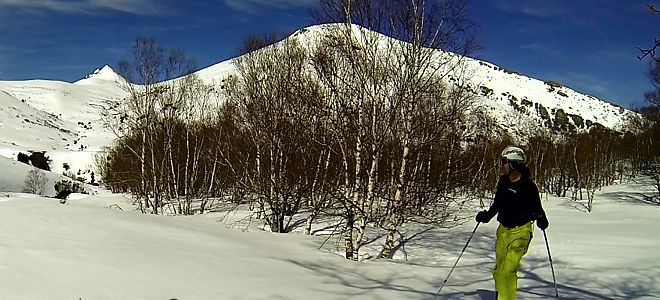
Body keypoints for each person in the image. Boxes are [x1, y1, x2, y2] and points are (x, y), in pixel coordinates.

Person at [476, 146, 549, 300]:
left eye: (504, 162)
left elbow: (537, 207)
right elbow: (498, 203)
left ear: (513, 163)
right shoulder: (503, 182)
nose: (501, 165)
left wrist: (541, 218)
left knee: (507, 271)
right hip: (503, 231)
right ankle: (500, 296)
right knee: (498, 270)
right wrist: (487, 215)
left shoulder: (528, 185)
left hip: (521, 232)